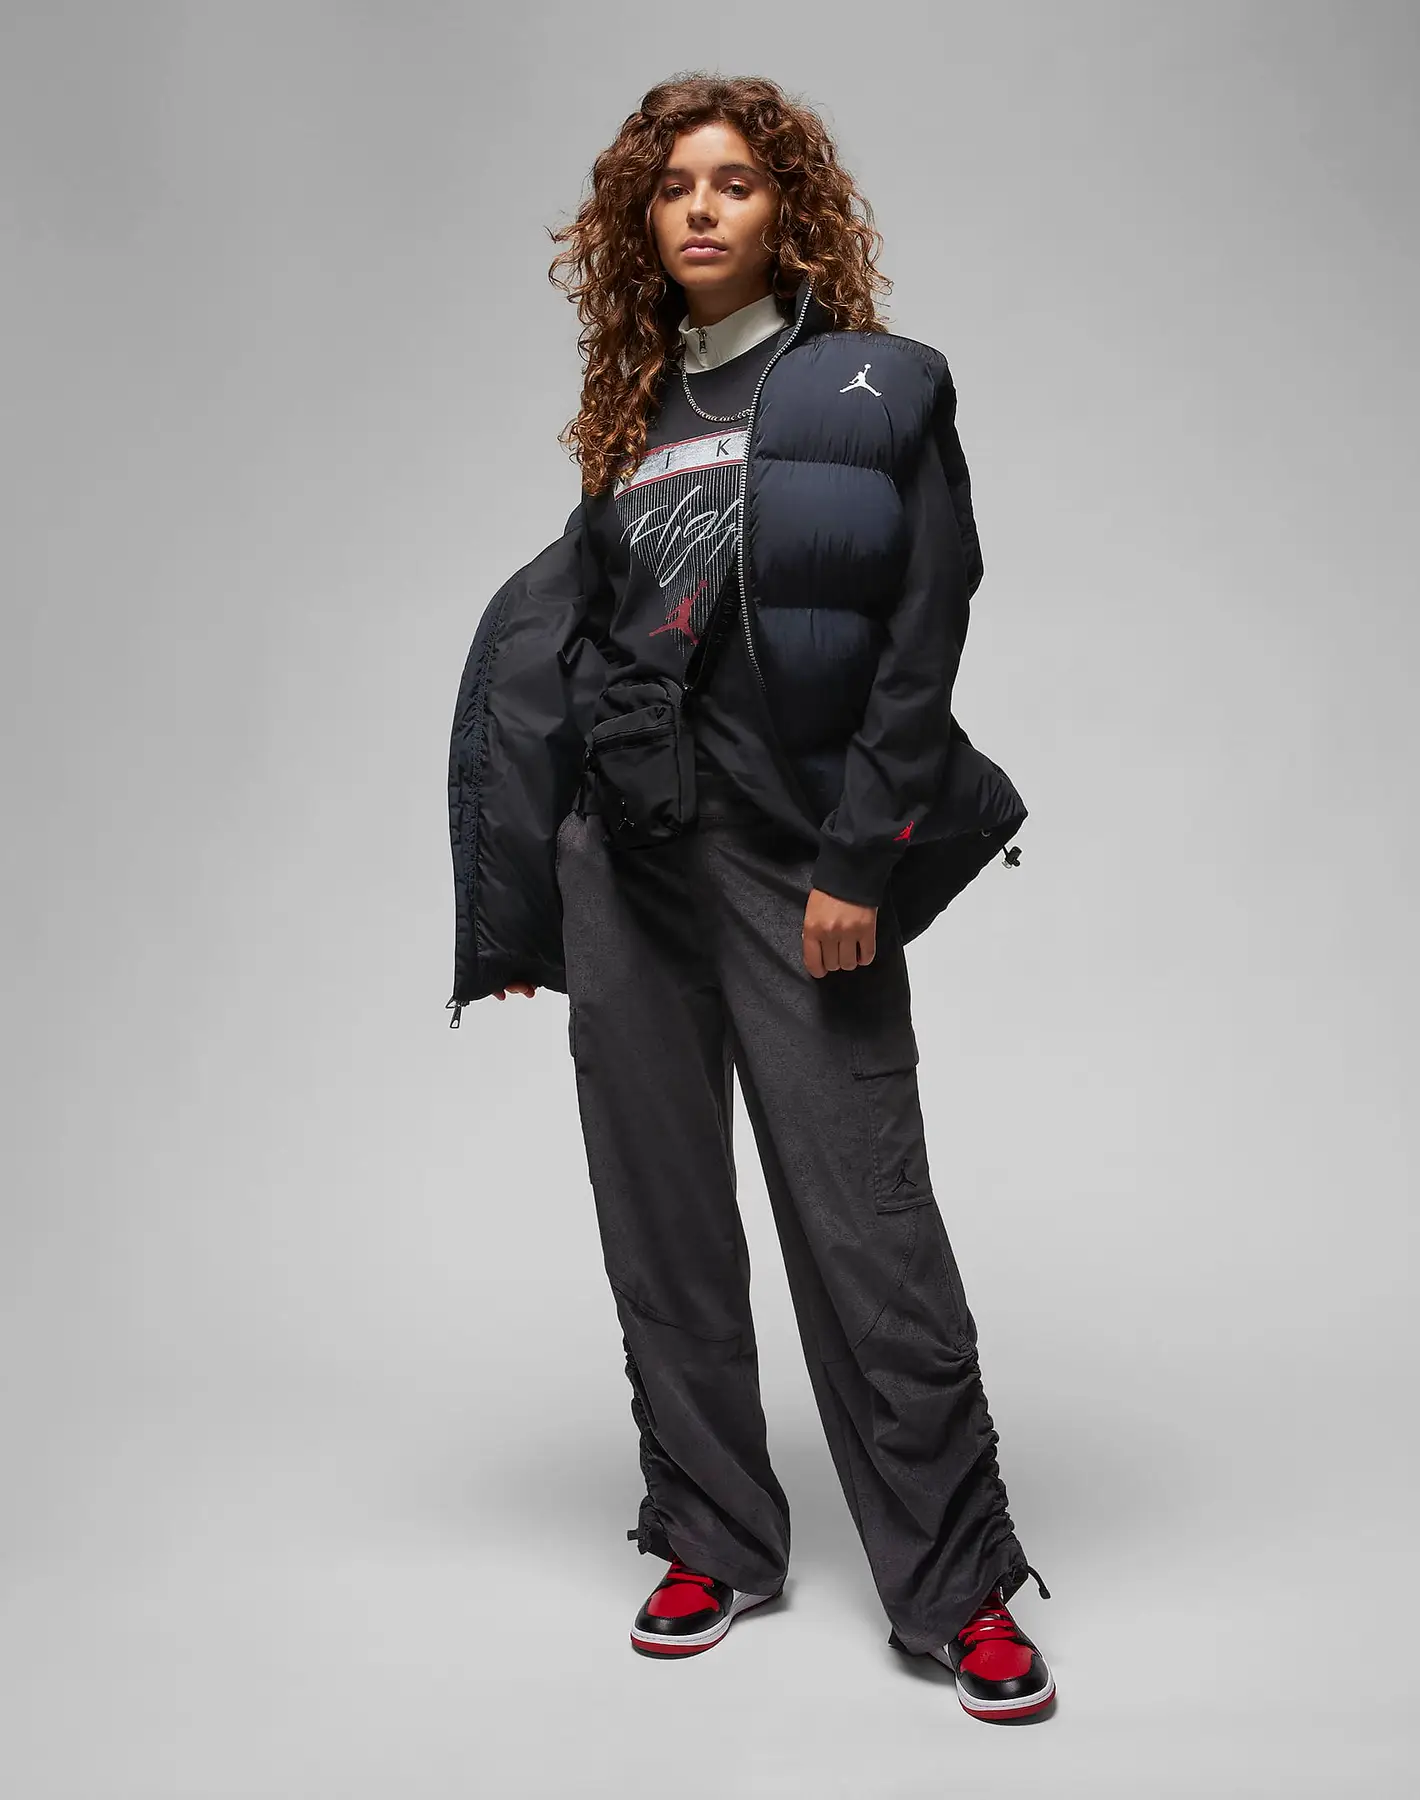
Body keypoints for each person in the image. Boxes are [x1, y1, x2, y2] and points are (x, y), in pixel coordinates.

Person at [446, 74, 1054, 1724]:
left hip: (797, 866)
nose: (702, 208)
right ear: (640, 225)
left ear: (790, 210)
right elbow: (589, 649)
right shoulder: (633, 417)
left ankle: (959, 1586)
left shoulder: (872, 387)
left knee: (868, 1225)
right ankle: (712, 1532)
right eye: (673, 187)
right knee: (661, 1219)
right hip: (625, 867)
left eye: (735, 182)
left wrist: (861, 859)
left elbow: (923, 629)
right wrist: (535, 878)